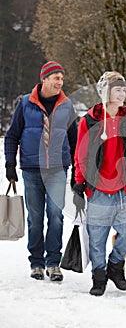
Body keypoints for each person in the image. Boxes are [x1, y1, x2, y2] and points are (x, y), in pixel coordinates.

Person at [4, 61, 77, 282]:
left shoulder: (67, 105)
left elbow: (75, 140)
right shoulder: (25, 103)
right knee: (36, 218)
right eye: (56, 78)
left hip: (57, 169)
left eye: (62, 79)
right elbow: (12, 135)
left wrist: (77, 171)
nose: (60, 82)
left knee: (55, 216)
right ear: (44, 79)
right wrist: (9, 164)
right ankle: (36, 263)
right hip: (31, 169)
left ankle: (53, 262)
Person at [73, 71, 126, 296]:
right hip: (97, 187)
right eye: (117, 89)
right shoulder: (89, 119)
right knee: (97, 237)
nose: (122, 93)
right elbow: (80, 154)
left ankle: (115, 266)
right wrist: (79, 183)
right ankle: (99, 277)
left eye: (123, 89)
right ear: (106, 91)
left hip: (123, 187)